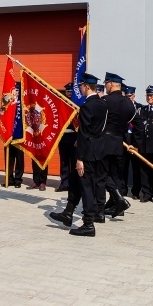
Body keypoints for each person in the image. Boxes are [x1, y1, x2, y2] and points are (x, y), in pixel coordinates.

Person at [58, 73, 108, 237]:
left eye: (81, 86)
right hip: (97, 149)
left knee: (86, 186)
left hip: (87, 152)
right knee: (76, 180)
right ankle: (68, 212)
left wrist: (80, 158)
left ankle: (88, 224)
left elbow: (84, 133)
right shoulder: (102, 104)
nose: (79, 88)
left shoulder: (87, 106)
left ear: (86, 86)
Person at [102, 72, 135, 219]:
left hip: (105, 141)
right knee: (116, 174)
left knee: (102, 173)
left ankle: (118, 200)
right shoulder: (129, 103)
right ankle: (116, 205)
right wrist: (134, 144)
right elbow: (136, 123)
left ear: (110, 84)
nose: (105, 86)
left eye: (106, 84)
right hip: (119, 142)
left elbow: (99, 122)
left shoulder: (105, 101)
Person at [122, 85, 142, 198]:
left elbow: (140, 127)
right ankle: (123, 190)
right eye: (127, 96)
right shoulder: (122, 108)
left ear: (134, 96)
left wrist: (136, 144)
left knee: (136, 168)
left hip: (134, 141)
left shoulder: (140, 108)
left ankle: (136, 192)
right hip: (124, 140)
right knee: (123, 167)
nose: (129, 98)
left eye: (130, 96)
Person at [57, 82, 76, 192]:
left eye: (71, 91)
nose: (69, 93)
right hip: (63, 136)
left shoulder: (76, 104)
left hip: (73, 136)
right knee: (64, 161)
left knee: (73, 161)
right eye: (68, 91)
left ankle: (73, 184)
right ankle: (64, 183)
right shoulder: (62, 104)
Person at [6, 82, 24, 188]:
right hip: (9, 134)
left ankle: (18, 179)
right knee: (9, 158)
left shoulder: (23, 102)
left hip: (19, 134)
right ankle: (9, 179)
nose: (15, 92)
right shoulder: (8, 102)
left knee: (19, 159)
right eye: (14, 90)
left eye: (17, 90)